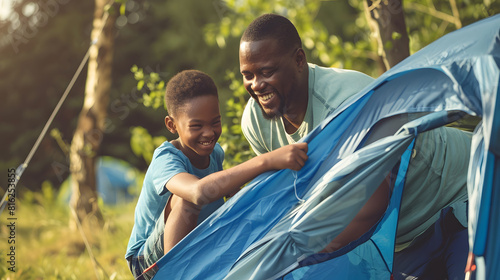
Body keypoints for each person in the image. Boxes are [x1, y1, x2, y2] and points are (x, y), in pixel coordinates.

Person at [239, 14, 471, 280]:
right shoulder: (256, 122)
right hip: (404, 235)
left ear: (299, 60)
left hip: (462, 194)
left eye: (267, 72)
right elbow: (284, 201)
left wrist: (295, 254)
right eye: (248, 75)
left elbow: (372, 202)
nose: (256, 85)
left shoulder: (347, 103)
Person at [125, 70, 309, 280]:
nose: (209, 133)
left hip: (200, 243)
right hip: (149, 263)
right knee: (186, 198)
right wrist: (267, 160)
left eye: (215, 122)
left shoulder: (215, 153)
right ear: (172, 125)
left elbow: (220, 188)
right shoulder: (166, 159)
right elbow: (198, 193)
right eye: (196, 126)